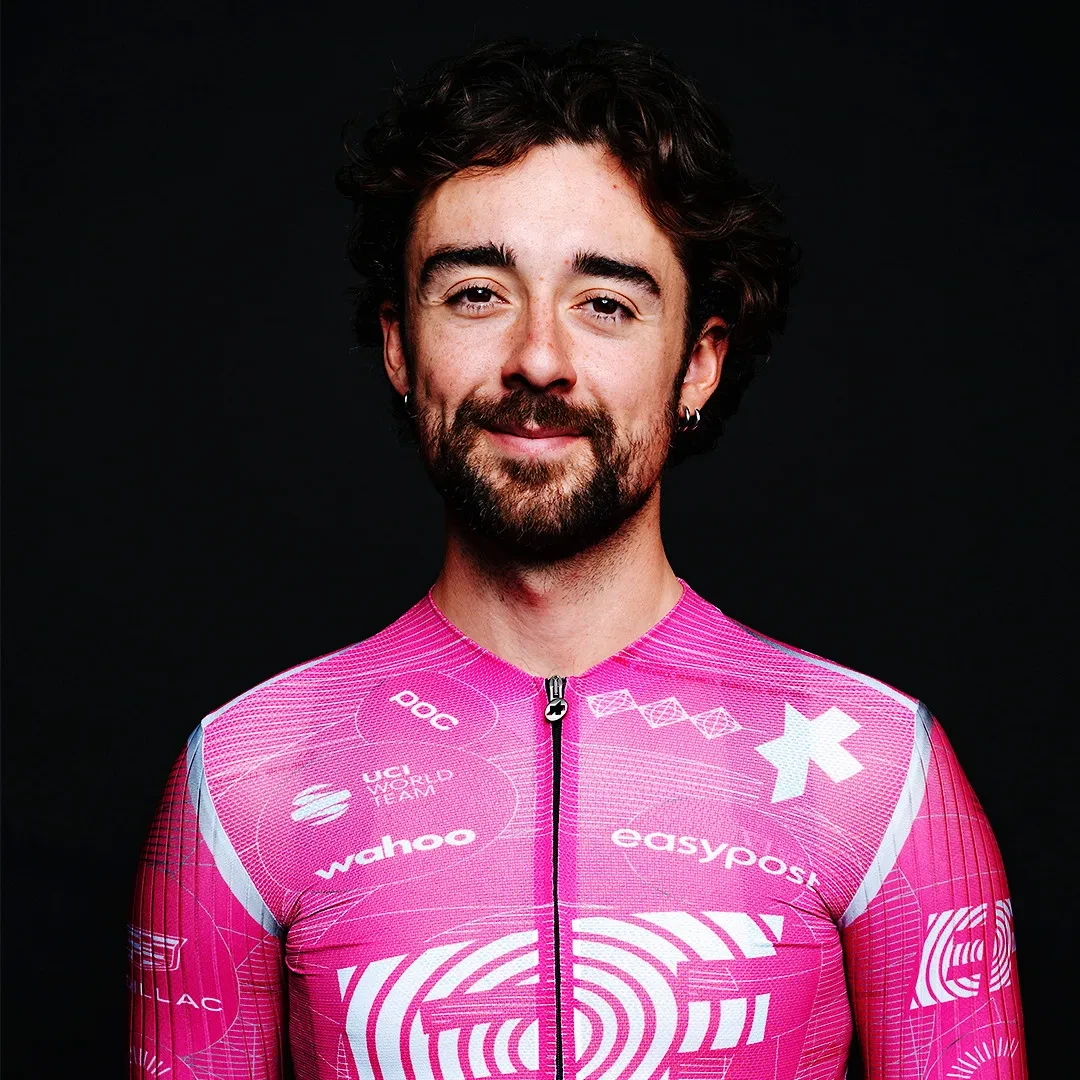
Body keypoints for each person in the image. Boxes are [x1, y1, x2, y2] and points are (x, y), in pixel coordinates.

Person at [128, 37, 1026, 1080]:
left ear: (698, 362)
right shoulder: (247, 780)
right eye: (476, 293)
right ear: (399, 347)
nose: (539, 359)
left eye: (606, 303)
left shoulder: (879, 777)